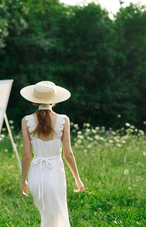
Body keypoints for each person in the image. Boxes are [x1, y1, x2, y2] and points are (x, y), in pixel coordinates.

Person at [19, 81, 84, 227]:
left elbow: (26, 155)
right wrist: (77, 180)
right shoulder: (63, 120)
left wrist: (23, 180)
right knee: (57, 216)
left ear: (35, 100)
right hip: (54, 173)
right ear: (54, 100)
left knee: (47, 216)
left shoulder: (26, 121)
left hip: (36, 175)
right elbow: (68, 154)